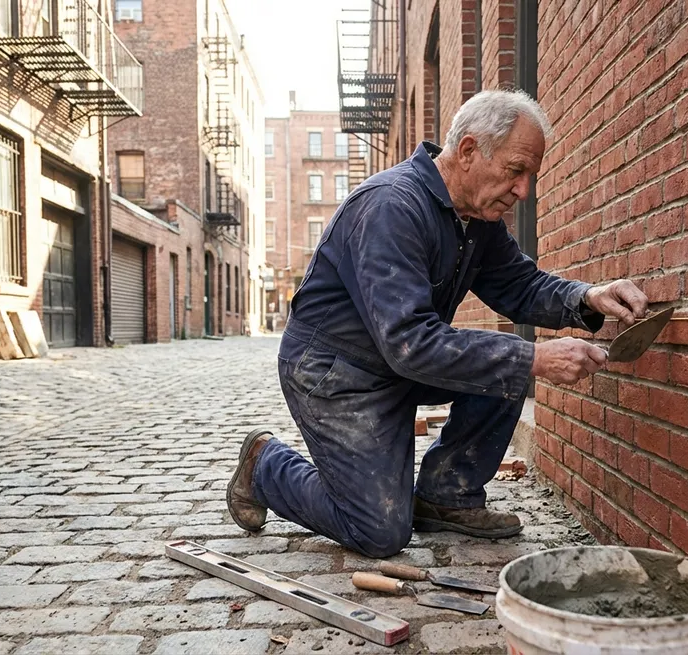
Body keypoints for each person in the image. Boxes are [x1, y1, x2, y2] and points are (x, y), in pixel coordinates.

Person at [227, 89, 648, 558]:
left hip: (397, 363)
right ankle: (265, 465)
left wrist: (588, 296)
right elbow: (409, 341)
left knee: (502, 367)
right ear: (468, 151)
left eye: (530, 175)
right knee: (380, 532)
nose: (524, 190)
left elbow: (520, 286)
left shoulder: (476, 219)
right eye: (515, 171)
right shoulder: (391, 207)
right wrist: (533, 357)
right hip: (336, 373)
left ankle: (446, 494)